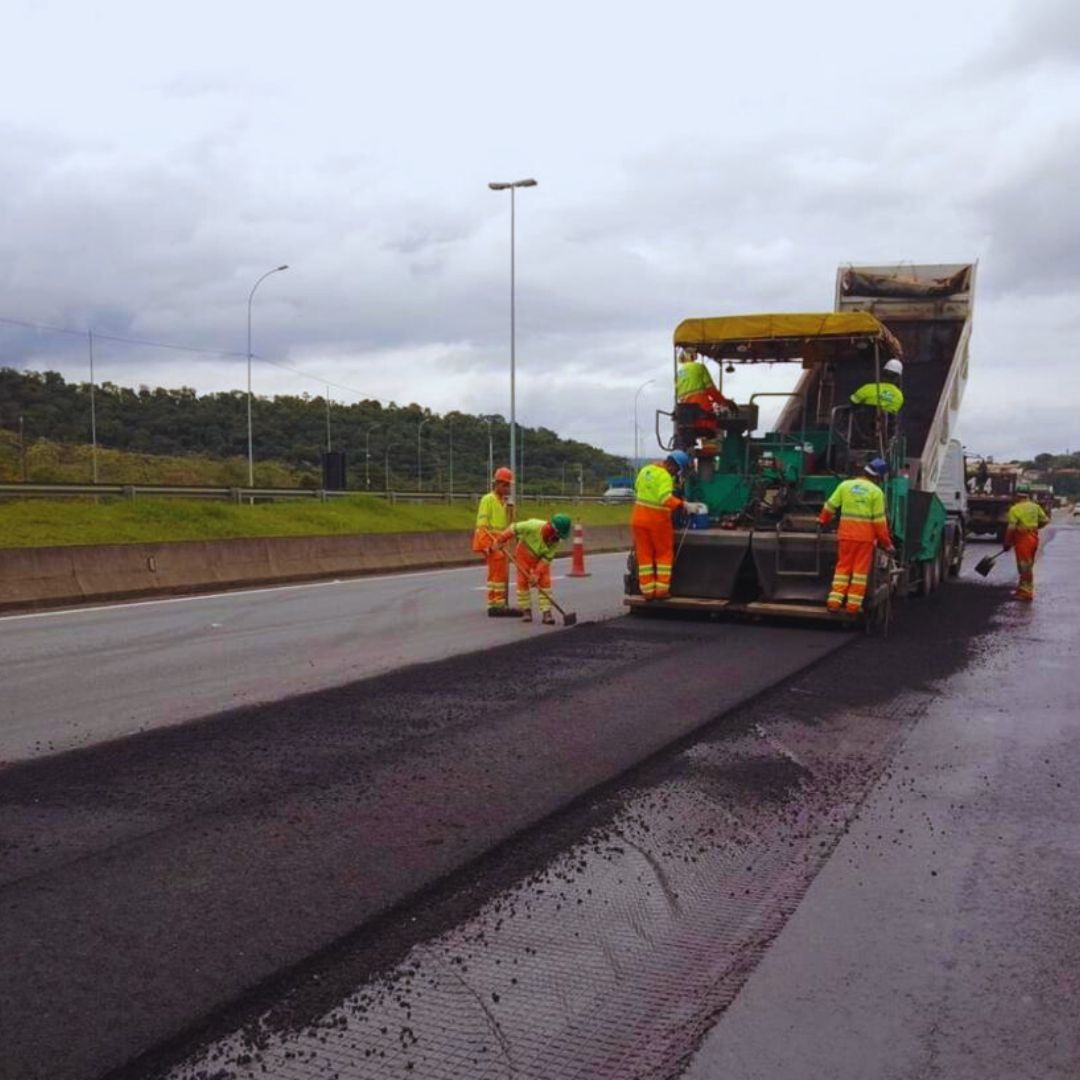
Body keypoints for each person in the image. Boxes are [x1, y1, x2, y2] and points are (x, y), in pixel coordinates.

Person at [818, 457, 896, 613]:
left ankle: (834, 602)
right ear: (878, 477)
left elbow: (830, 506)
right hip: (864, 539)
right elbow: (880, 523)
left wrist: (821, 520)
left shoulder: (845, 486)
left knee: (842, 568)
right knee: (859, 573)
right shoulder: (876, 493)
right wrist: (887, 544)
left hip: (845, 536)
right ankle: (853, 606)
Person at [632, 450, 690, 601]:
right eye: (677, 470)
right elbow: (665, 499)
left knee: (644, 555)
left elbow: (637, 488)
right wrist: (683, 505)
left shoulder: (645, 469)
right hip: (657, 521)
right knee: (663, 555)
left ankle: (647, 592)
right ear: (674, 466)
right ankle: (661, 591)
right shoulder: (665, 476)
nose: (676, 474)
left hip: (638, 519)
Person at [498, 514, 572, 624]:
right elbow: (514, 528)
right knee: (522, 581)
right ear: (552, 529)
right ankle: (526, 610)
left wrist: (537, 574)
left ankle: (546, 612)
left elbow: (547, 558)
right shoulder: (533, 526)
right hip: (524, 553)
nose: (558, 539)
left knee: (545, 582)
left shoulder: (556, 541)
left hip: (540, 558)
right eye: (558, 535)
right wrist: (501, 539)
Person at [472, 467, 517, 617]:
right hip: (493, 543)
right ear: (497, 484)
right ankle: (497, 604)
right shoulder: (488, 499)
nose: (507, 488)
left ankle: (496, 602)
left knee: (499, 574)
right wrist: (490, 545)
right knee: (497, 575)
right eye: (505, 485)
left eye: (508, 485)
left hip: (501, 542)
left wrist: (511, 511)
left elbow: (507, 525)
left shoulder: (503, 503)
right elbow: (482, 526)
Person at [676, 347, 734, 448]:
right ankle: (713, 449)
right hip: (702, 415)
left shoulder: (679, 374)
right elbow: (711, 390)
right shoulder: (699, 367)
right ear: (691, 355)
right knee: (716, 428)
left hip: (686, 419)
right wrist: (725, 402)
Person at [1004, 482, 1050, 602]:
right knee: (1027, 564)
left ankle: (1026, 592)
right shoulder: (1035, 506)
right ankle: (1022, 588)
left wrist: (1007, 543)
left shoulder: (1015, 509)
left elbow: (1011, 528)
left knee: (1024, 566)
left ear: (1017, 495)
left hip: (1022, 539)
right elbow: (1045, 520)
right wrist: (1035, 528)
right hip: (1033, 538)